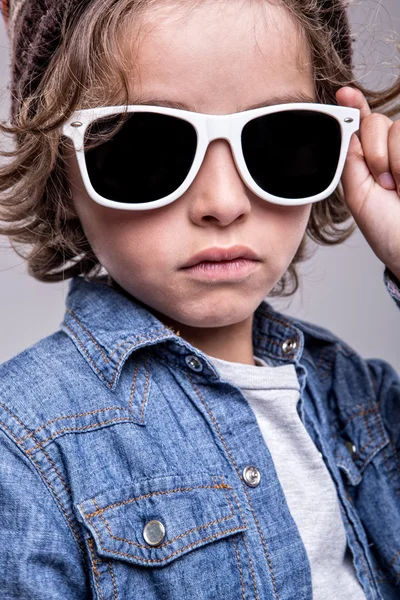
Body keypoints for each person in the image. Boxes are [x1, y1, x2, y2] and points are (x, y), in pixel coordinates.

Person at [0, 0, 400, 598]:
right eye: (146, 148)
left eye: (278, 137)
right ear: (62, 171)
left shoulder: (363, 398)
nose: (223, 202)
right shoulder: (23, 445)